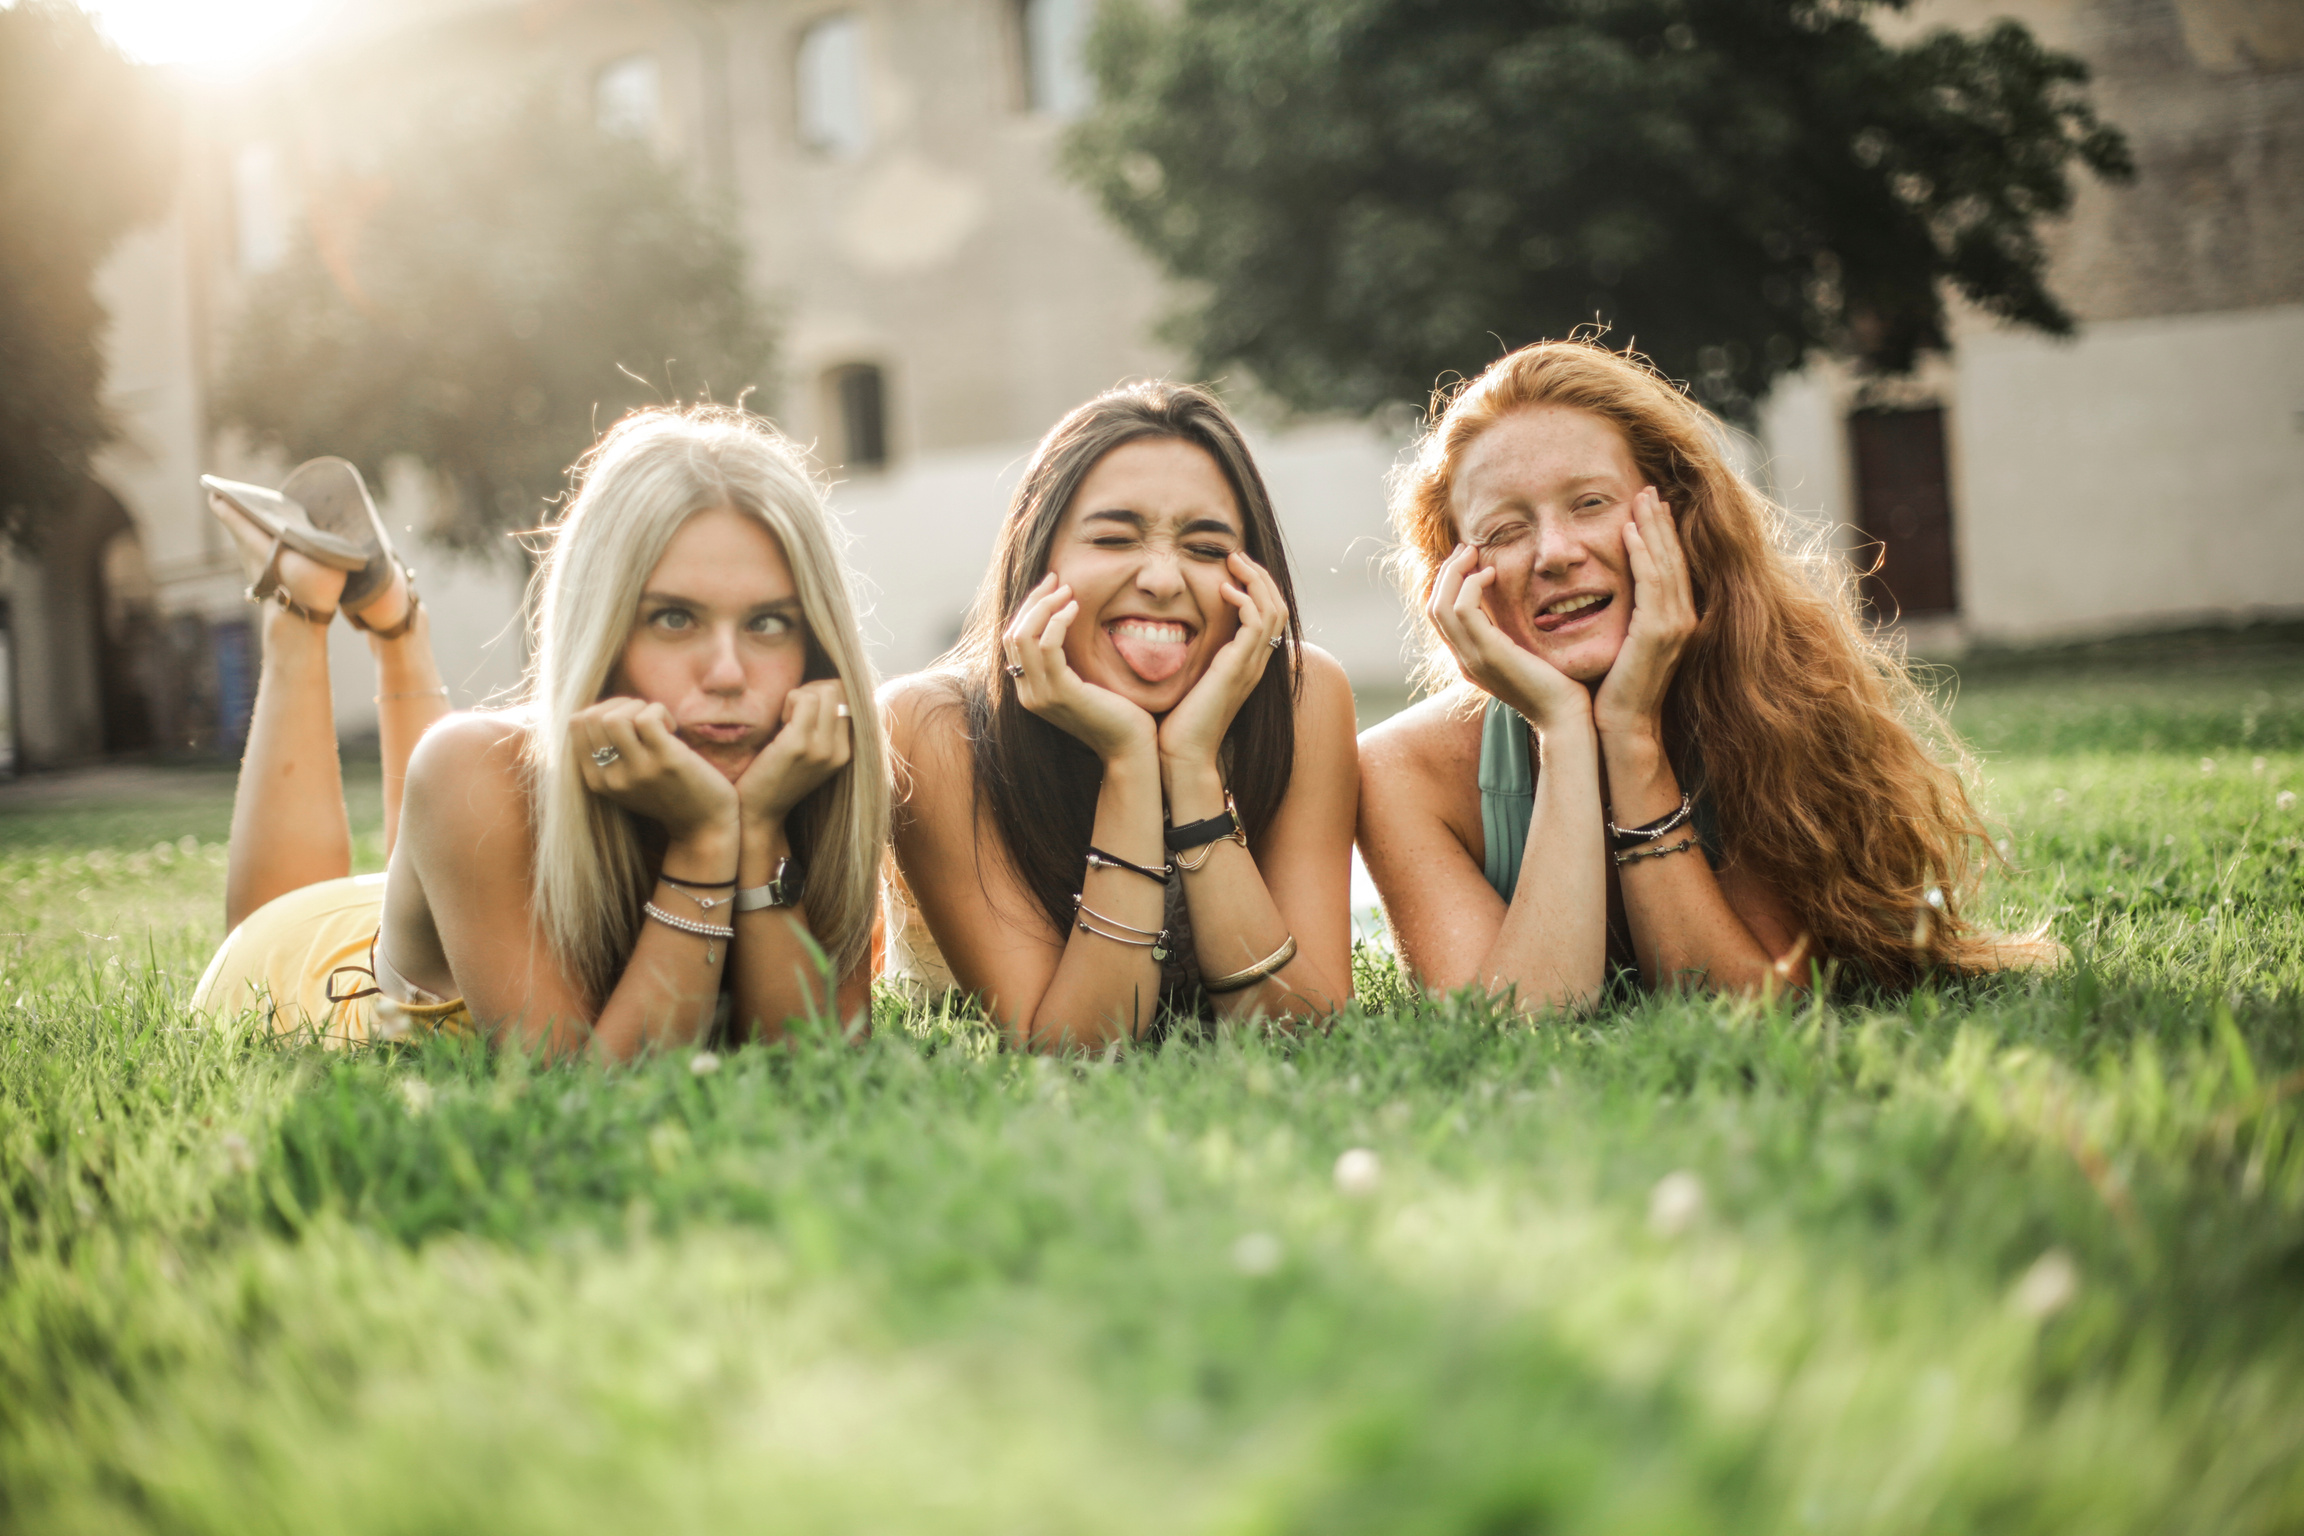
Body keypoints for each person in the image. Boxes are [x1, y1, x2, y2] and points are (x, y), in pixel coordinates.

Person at [1357, 340, 2057, 1010]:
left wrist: (1631, 736)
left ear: (1680, 515)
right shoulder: (1400, 771)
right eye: (1504, 531)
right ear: (1457, 578)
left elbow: (1745, 1004)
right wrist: (1564, 730)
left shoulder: (1772, 694)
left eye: (1590, 503)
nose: (1555, 553)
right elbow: (1515, 1020)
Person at [192, 406, 888, 1058]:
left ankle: (397, 618)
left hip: (461, 901)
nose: (730, 673)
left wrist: (761, 829)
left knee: (450, 819)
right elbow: (594, 1099)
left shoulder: (817, 767)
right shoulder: (474, 768)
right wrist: (704, 844)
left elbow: (814, 1059)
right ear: (603, 629)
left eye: (768, 623)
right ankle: (304, 605)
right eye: (675, 619)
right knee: (438, 786)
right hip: (310, 975)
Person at [882, 382, 1359, 1050]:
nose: (1164, 579)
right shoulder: (935, 727)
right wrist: (1129, 760)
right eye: (1112, 538)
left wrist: (1191, 764)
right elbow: (1075, 1047)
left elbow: (1305, 1027)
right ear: (1036, 558)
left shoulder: (1303, 698)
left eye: (1205, 548)